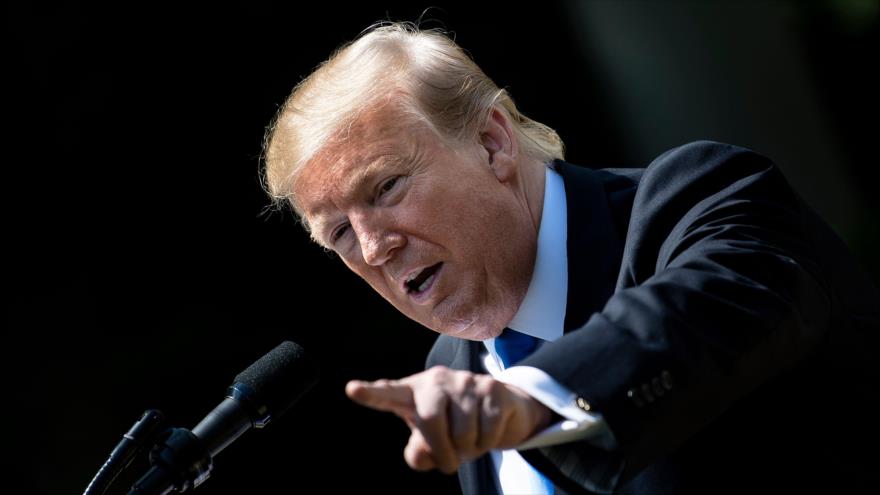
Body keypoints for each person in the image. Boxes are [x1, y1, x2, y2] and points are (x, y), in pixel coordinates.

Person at [261, 22, 879, 494]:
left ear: (492, 142)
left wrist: (533, 400)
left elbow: (702, 312)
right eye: (340, 232)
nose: (374, 247)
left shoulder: (696, 199)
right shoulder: (453, 370)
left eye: (387, 187)